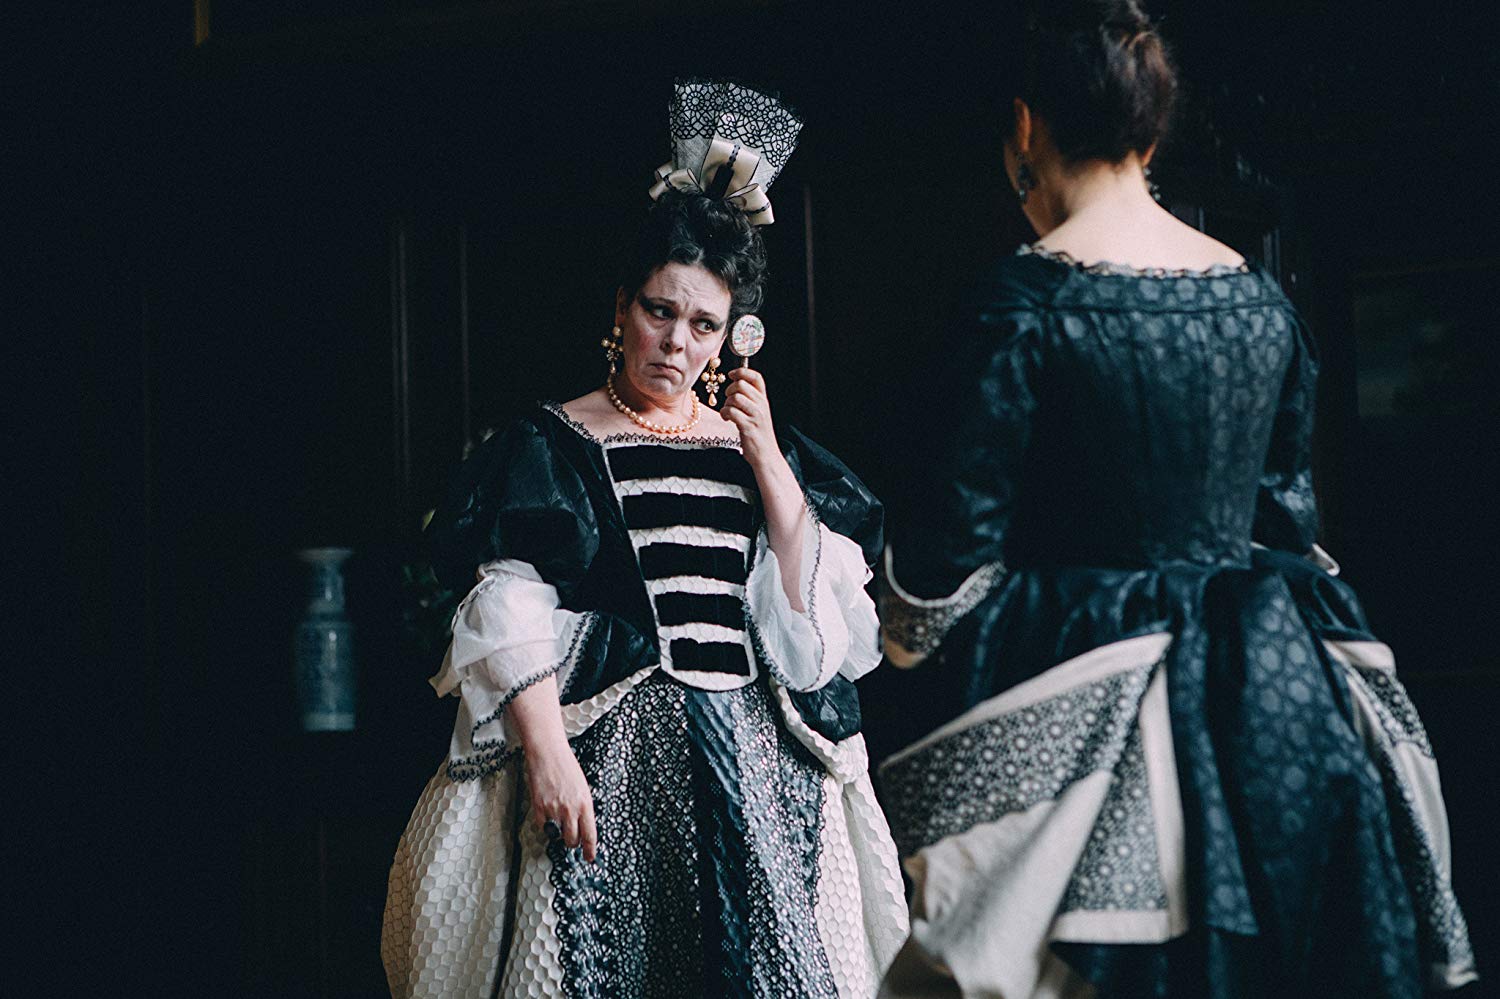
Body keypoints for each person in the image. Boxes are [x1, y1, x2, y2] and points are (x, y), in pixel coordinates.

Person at [875, 3, 1476, 997]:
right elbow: (1288, 530)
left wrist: (910, 644)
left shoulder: (1021, 305)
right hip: (1275, 705)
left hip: (1073, 698)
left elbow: (937, 583)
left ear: (1025, 128)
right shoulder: (1259, 300)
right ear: (1151, 135)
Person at [381, 79, 907, 998]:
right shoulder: (555, 442)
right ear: (622, 306)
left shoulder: (759, 449)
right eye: (660, 311)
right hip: (609, 752)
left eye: (703, 324)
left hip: (753, 765)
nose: (676, 343)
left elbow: (810, 629)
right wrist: (547, 751)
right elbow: (510, 598)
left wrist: (766, 458)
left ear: (732, 336)